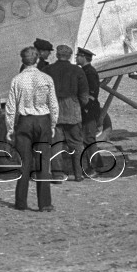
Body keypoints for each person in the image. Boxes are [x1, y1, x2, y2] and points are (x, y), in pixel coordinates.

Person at [5, 46, 58, 212]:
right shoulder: (46, 78)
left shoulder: (17, 80)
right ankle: (45, 203)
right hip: (43, 120)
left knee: (24, 163)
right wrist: (53, 124)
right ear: (37, 60)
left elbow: (10, 107)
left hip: (25, 121)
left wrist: (10, 128)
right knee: (43, 163)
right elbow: (53, 105)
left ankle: (21, 202)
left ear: (23, 60)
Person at [42, 45, 89, 181]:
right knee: (76, 143)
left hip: (53, 111)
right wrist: (79, 105)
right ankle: (78, 174)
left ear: (57, 55)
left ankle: (57, 175)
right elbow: (84, 95)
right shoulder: (78, 71)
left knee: (55, 144)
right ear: (70, 56)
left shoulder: (47, 70)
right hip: (72, 110)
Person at [76, 47, 101, 148]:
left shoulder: (89, 72)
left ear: (84, 57)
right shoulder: (84, 71)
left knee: (88, 138)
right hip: (86, 108)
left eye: (78, 56)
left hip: (89, 109)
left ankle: (95, 158)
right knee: (85, 138)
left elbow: (93, 93)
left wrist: (86, 107)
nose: (76, 58)